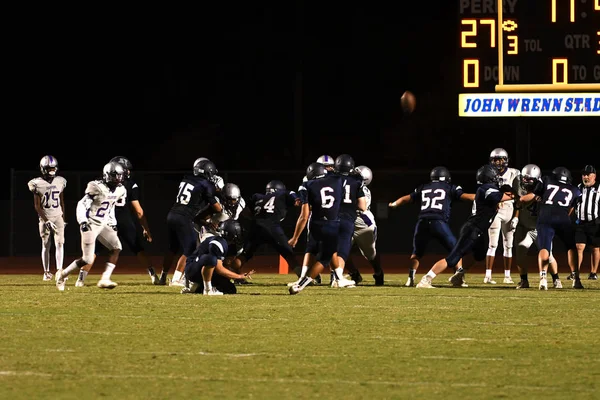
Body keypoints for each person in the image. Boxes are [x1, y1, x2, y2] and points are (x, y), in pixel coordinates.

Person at [416, 164, 514, 288]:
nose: (497, 178)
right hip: (473, 229)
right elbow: (506, 197)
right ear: (490, 177)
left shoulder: (489, 189)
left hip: (480, 230)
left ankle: (459, 275)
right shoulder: (486, 189)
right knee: (453, 258)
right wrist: (515, 193)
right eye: (495, 176)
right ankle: (426, 279)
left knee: (480, 254)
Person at [74, 156, 157, 287]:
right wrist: (145, 227)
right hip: (123, 220)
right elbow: (138, 210)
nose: (128, 172)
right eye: (126, 170)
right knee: (137, 248)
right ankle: (154, 276)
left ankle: (81, 279)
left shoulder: (103, 183)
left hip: (104, 220)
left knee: (94, 251)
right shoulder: (129, 185)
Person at [389, 166, 474, 287]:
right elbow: (466, 197)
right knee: (456, 250)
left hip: (422, 222)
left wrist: (394, 204)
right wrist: (482, 197)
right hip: (438, 222)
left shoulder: (424, 187)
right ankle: (459, 278)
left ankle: (410, 279)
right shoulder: (449, 187)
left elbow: (406, 198)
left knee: (416, 253)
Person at [55, 162, 127, 291]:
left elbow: (110, 207)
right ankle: (62, 275)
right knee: (87, 259)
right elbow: (82, 204)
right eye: (115, 176)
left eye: (120, 176)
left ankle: (105, 278)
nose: (118, 179)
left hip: (104, 224)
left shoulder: (121, 189)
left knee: (117, 248)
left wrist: (112, 223)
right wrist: (83, 221)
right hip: (91, 224)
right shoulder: (96, 186)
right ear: (107, 175)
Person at [156, 158, 222, 285]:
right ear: (207, 172)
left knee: (172, 249)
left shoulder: (187, 178)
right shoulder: (205, 184)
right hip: (184, 217)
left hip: (172, 214)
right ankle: (176, 279)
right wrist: (218, 193)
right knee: (191, 249)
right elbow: (217, 208)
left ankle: (163, 277)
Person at [288, 162, 351, 294]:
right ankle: (300, 284)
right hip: (332, 224)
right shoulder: (337, 180)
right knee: (324, 259)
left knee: (331, 250)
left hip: (315, 224)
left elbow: (304, 216)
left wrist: (295, 237)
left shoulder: (307, 185)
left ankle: (339, 278)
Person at [170, 182, 248, 286]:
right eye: (230, 199)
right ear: (224, 197)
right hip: (211, 233)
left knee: (233, 254)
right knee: (208, 257)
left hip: (226, 233)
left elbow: (245, 215)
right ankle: (188, 278)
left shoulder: (241, 203)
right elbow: (197, 219)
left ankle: (234, 277)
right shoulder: (216, 206)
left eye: (234, 199)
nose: (233, 202)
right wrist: (209, 223)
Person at [520, 167, 583, 290]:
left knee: (544, 248)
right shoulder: (575, 190)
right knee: (571, 247)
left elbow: (533, 195)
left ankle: (543, 279)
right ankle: (576, 279)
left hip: (546, 216)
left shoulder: (547, 180)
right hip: (563, 217)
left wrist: (521, 200)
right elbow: (571, 208)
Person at [230, 180, 303, 279]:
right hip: (273, 226)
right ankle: (302, 277)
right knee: (289, 254)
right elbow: (297, 201)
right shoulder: (285, 193)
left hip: (256, 226)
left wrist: (256, 219)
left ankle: (233, 275)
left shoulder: (257, 196)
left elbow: (245, 212)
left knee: (244, 255)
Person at [512, 164, 561, 289]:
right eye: (524, 178)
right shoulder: (517, 183)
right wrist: (516, 217)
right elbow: (519, 202)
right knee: (520, 254)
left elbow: (526, 198)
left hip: (540, 227)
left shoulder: (545, 187)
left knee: (548, 256)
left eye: (529, 179)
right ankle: (524, 281)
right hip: (524, 226)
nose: (525, 181)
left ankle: (556, 278)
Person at [182, 220, 253, 295]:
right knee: (211, 259)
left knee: (229, 289)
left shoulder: (225, 244)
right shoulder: (218, 243)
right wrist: (238, 276)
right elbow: (219, 269)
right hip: (192, 269)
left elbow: (225, 266)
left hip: (200, 268)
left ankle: (197, 287)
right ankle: (207, 289)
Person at [328, 154, 366, 288]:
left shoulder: (329, 179)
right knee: (342, 250)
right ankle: (337, 279)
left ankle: (333, 276)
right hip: (347, 219)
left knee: (330, 249)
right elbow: (363, 206)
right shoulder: (356, 181)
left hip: (330, 217)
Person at [343, 165, 385, 285]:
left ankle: (378, 272)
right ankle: (354, 274)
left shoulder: (363, 190)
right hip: (347, 220)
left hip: (362, 223)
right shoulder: (348, 184)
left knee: (370, 254)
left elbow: (361, 206)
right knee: (340, 250)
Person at [27, 155, 67, 281]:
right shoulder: (36, 183)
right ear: (43, 169)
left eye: (53, 168)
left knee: (60, 243)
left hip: (58, 216)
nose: (52, 171)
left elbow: (61, 201)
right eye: (49, 169)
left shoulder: (60, 181)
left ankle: (59, 271)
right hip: (45, 218)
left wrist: (63, 218)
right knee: (46, 245)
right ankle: (46, 272)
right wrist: (46, 220)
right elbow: (37, 206)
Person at [485, 148, 520, 284]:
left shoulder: (514, 173)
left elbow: (519, 196)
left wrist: (516, 216)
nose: (498, 162)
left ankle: (507, 275)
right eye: (495, 159)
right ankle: (488, 275)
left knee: (509, 245)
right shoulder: (488, 173)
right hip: (495, 210)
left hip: (510, 209)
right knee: (492, 244)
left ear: (506, 160)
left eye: (500, 159)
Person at [574, 165, 599, 280]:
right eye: (584, 174)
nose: (585, 177)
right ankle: (576, 272)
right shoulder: (578, 187)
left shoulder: (599, 188)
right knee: (579, 247)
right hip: (581, 223)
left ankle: (593, 272)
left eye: (588, 174)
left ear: (594, 176)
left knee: (595, 248)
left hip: (595, 223)